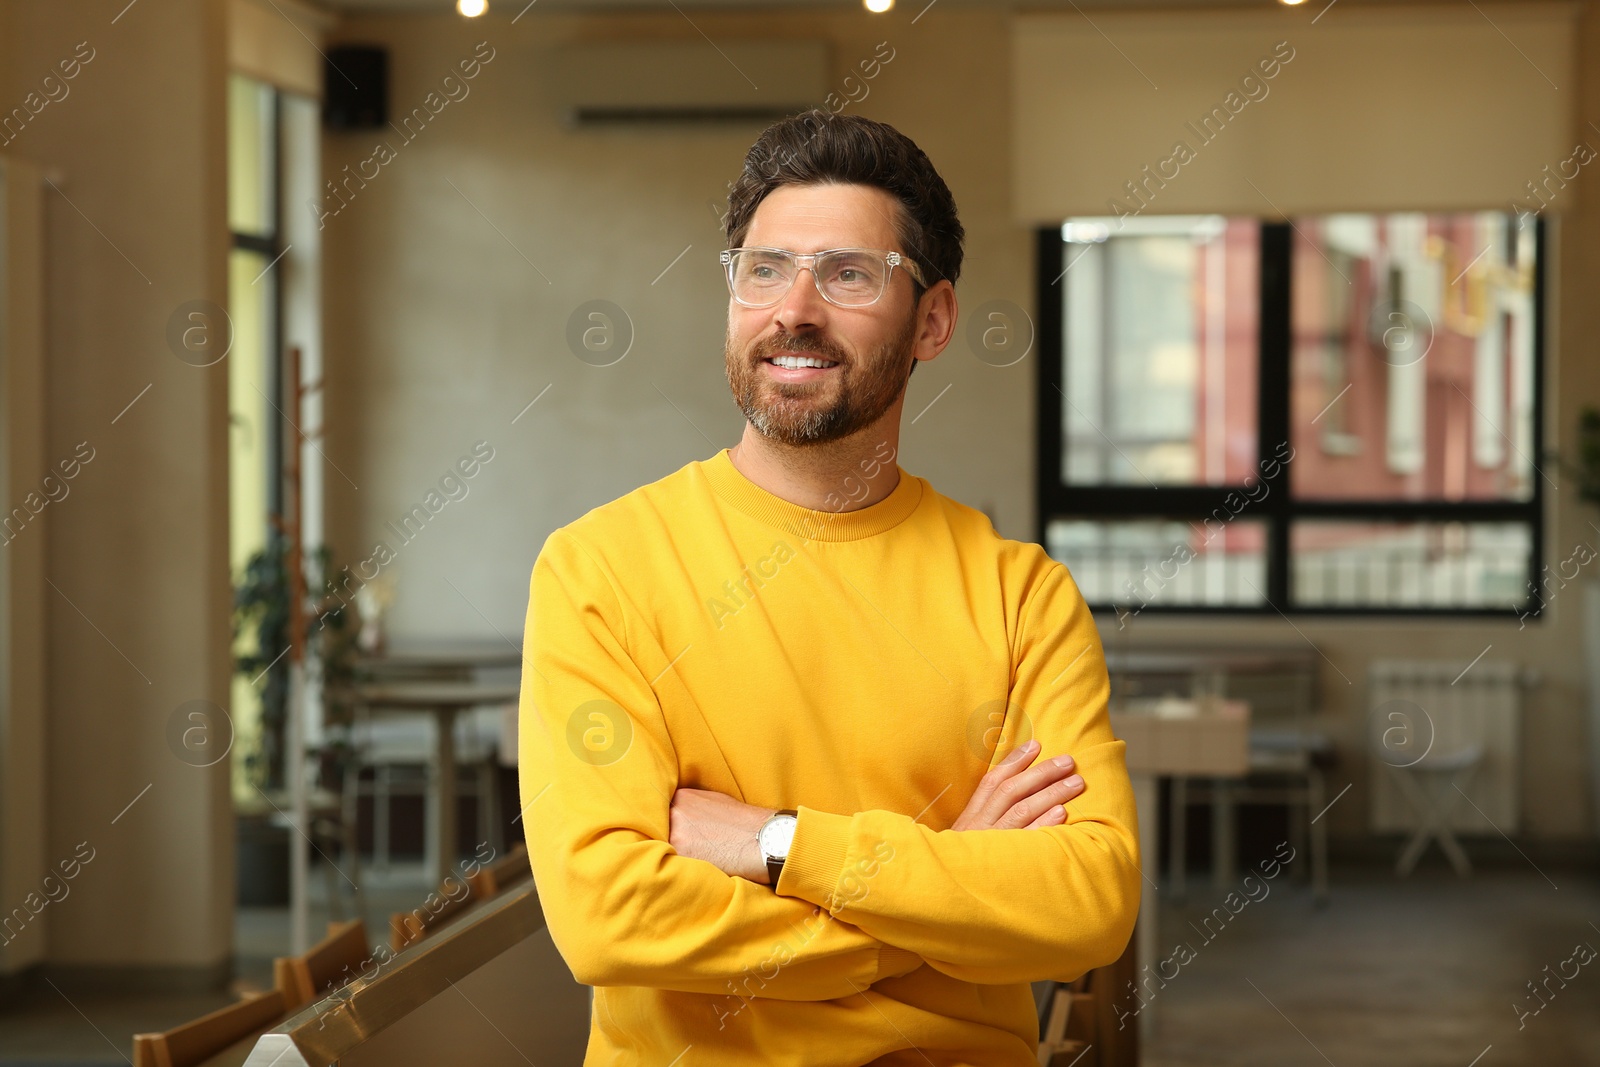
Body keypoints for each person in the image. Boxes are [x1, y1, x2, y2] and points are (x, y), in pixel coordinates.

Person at [518, 108, 1139, 1065]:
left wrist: (772, 843)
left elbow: (1089, 901)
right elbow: (607, 916)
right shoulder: (602, 569)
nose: (793, 308)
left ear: (932, 319)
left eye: (848, 273)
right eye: (764, 269)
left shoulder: (1022, 596)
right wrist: (945, 894)